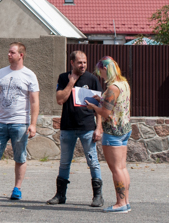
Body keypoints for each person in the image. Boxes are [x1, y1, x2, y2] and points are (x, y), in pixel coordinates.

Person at [0, 43, 39, 200]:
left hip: (20, 122)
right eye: (9, 52)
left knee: (20, 156)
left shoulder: (29, 75)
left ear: (21, 55)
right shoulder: (1, 73)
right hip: (0, 122)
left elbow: (34, 101)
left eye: (12, 52)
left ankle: (17, 188)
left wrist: (33, 123)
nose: (9, 54)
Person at [48, 51, 105, 207]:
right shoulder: (63, 77)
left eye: (85, 62)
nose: (83, 65)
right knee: (65, 163)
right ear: (72, 63)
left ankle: (98, 196)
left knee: (93, 162)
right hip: (68, 127)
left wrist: (98, 127)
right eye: (80, 62)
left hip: (87, 127)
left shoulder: (92, 79)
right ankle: (60, 195)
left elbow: (99, 106)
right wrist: (71, 83)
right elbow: (60, 100)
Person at [88, 56, 133, 213]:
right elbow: (117, 104)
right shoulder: (123, 83)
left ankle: (120, 203)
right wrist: (101, 99)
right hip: (124, 129)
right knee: (122, 167)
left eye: (100, 70)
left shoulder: (113, 87)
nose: (100, 74)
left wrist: (93, 107)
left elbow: (105, 113)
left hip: (112, 131)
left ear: (105, 68)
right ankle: (125, 202)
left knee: (116, 169)